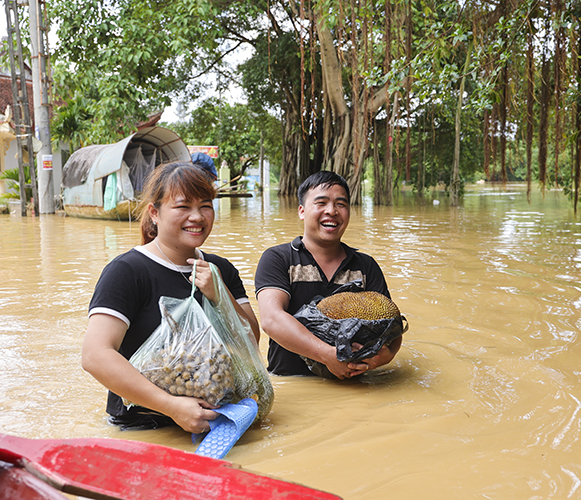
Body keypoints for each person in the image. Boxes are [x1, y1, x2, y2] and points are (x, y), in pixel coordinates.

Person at [82, 161, 260, 433]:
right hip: (147, 425)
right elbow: (95, 355)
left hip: (221, 421)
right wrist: (171, 406)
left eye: (205, 205)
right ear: (154, 213)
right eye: (183, 206)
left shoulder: (220, 269)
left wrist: (220, 296)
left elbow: (251, 340)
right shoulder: (127, 271)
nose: (197, 216)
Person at [255, 171, 402, 379]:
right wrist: (326, 356)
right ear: (302, 211)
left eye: (341, 204)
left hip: (354, 387)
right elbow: (271, 319)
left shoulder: (365, 266)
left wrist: (387, 356)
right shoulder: (279, 259)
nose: (332, 211)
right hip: (293, 382)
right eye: (321, 203)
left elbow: (391, 323)